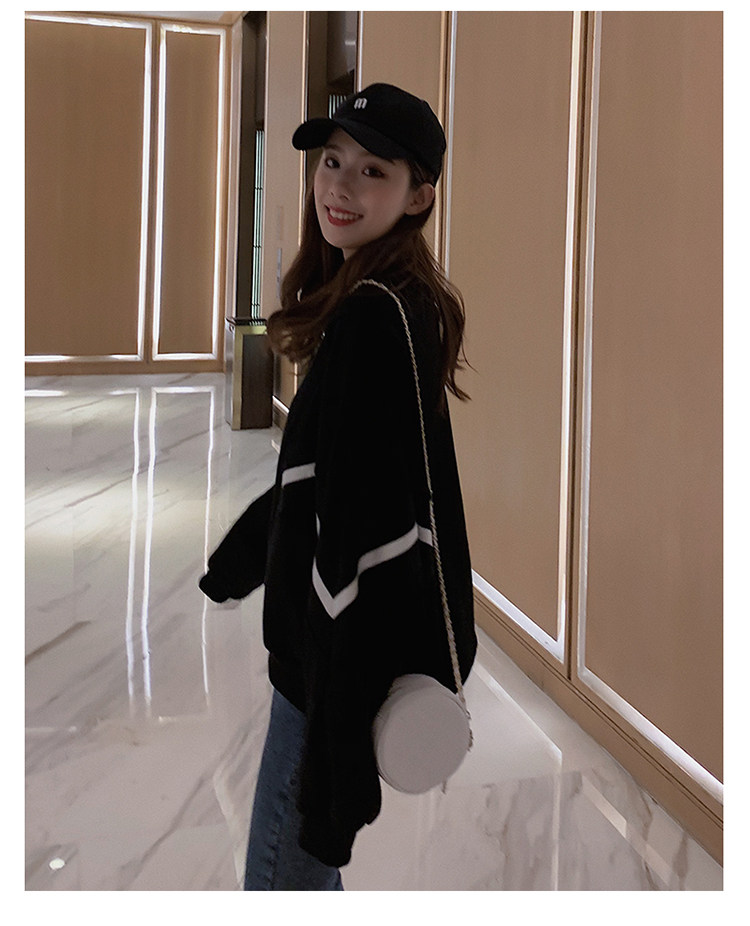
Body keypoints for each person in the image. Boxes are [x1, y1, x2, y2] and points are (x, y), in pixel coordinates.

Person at [199, 83, 477, 891]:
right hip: (336, 650)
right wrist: (245, 558)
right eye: (332, 161)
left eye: (372, 170)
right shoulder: (402, 299)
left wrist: (335, 720)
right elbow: (333, 475)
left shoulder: (373, 318)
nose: (339, 186)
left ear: (418, 196)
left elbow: (365, 529)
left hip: (328, 661)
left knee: (282, 880)